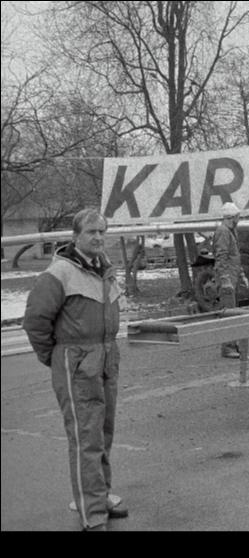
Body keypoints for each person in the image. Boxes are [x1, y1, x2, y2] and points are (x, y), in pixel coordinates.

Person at [22, 208, 128, 531]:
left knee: (103, 433)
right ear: (76, 237)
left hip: (105, 359)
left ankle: (102, 494)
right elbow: (35, 322)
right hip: (77, 364)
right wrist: (56, 358)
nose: (98, 237)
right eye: (91, 232)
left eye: (102, 232)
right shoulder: (59, 273)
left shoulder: (104, 268)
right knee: (85, 439)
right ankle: (92, 512)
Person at [213, 201, 249, 359]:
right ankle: (228, 348)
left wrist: (241, 276)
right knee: (228, 314)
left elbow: (235, 257)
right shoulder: (223, 232)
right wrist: (225, 280)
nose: (239, 219)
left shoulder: (230, 231)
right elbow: (221, 258)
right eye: (237, 216)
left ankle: (232, 346)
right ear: (232, 217)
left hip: (232, 278)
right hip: (227, 280)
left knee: (232, 312)